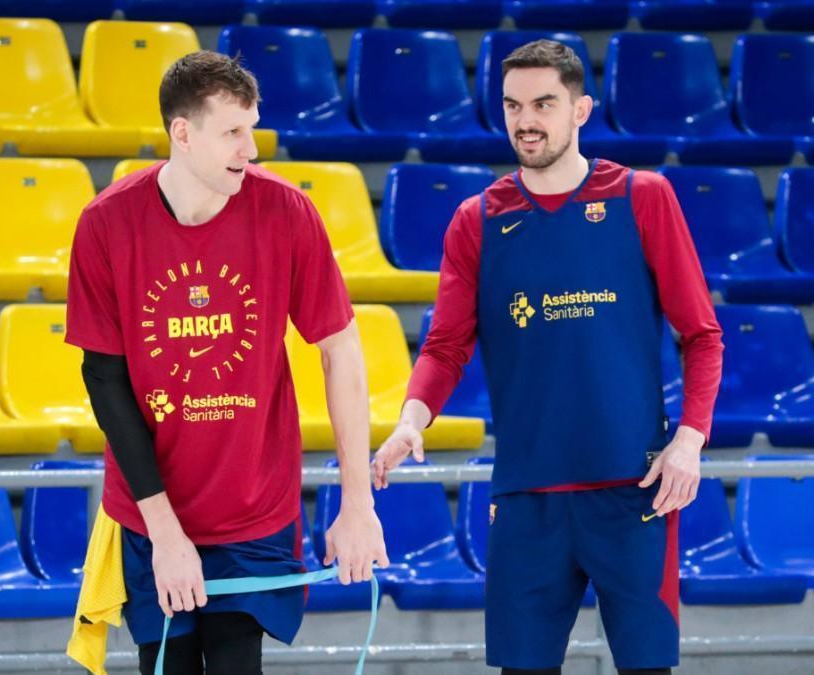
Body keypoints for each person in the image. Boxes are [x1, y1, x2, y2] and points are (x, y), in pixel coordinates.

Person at [373, 40, 723, 675]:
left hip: (634, 492)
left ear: (580, 109)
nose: (525, 120)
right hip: (527, 496)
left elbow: (701, 334)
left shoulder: (642, 196)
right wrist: (411, 419)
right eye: (512, 105)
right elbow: (446, 345)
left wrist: (690, 440)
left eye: (543, 103)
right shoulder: (475, 220)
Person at [66, 51, 389, 675]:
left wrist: (357, 504)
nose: (252, 148)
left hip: (253, 506)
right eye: (233, 132)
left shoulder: (286, 211)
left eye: (254, 128)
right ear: (181, 134)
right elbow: (105, 381)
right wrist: (164, 534)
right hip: (151, 509)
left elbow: (340, 349)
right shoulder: (107, 223)